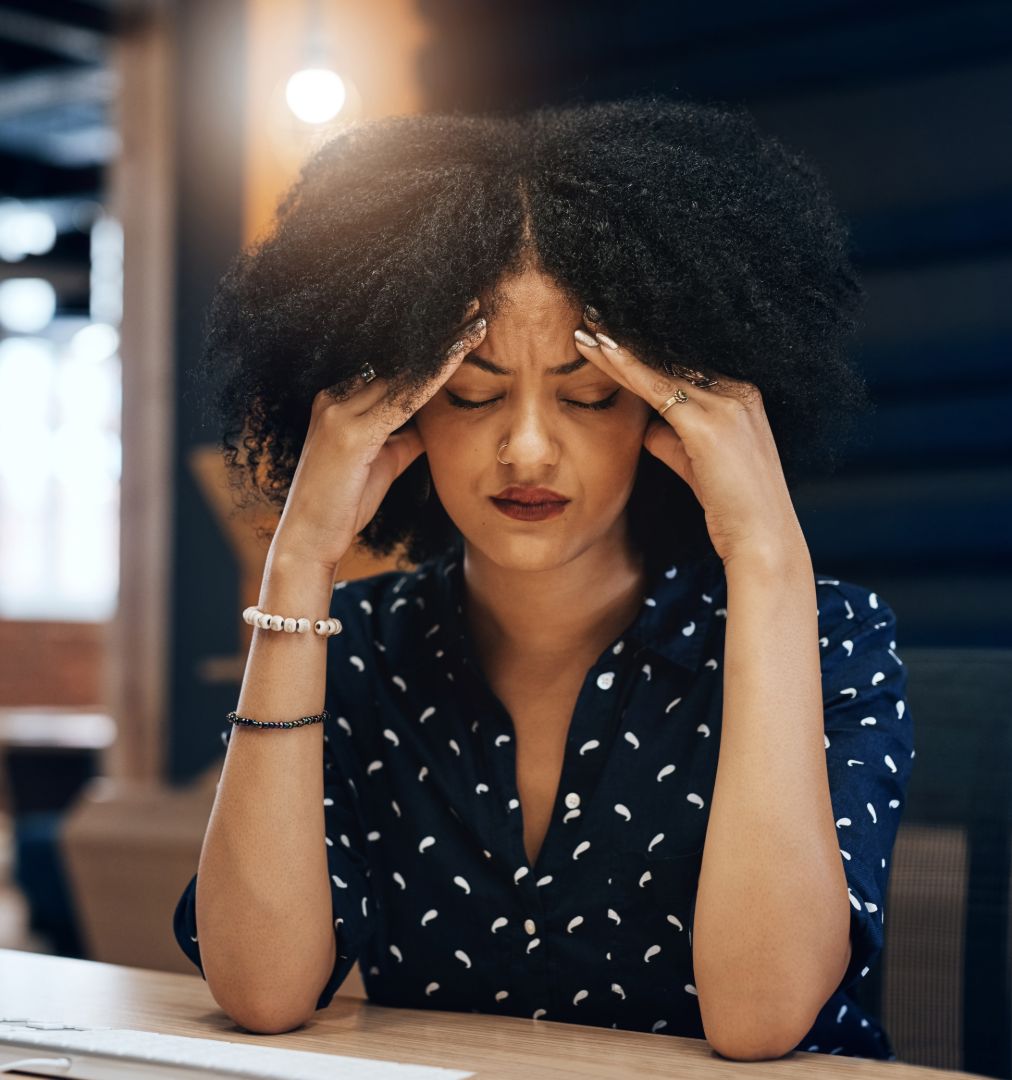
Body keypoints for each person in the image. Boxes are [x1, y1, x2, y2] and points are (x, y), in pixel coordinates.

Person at [173, 95, 914, 1062]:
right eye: (474, 391)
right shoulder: (355, 649)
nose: (527, 447)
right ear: (397, 406)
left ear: (669, 408)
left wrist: (767, 558)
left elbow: (762, 1018)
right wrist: (300, 567)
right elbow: (262, 992)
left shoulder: (828, 638)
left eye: (589, 392)